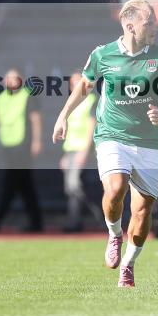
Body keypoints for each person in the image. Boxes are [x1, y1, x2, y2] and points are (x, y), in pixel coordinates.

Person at [53, 0, 158, 287]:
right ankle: (114, 234)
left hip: (149, 142)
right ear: (130, 26)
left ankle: (129, 264)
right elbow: (85, 86)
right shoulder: (103, 54)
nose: (155, 27)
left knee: (142, 212)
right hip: (112, 135)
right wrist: (63, 115)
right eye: (149, 22)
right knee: (115, 190)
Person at [0, 68, 44, 232]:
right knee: (25, 185)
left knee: (11, 183)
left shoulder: (28, 95)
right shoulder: (2, 97)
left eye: (15, 77)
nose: (11, 80)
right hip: (8, 144)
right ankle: (36, 222)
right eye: (8, 77)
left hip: (23, 145)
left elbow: (36, 119)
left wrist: (37, 141)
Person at [58, 70, 102, 232]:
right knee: (72, 188)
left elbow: (92, 126)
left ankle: (77, 221)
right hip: (70, 149)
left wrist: (85, 151)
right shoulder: (71, 103)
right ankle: (84, 219)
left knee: (74, 186)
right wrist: (64, 155)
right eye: (72, 83)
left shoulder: (91, 100)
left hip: (83, 150)